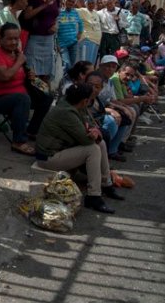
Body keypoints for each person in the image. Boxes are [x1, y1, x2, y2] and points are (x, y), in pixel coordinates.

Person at [35, 83, 124, 214]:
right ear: (84, 101)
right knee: (93, 149)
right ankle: (94, 196)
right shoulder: (66, 112)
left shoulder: (76, 105)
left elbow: (92, 124)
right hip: (48, 157)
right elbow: (86, 140)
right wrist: (95, 134)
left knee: (101, 144)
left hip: (62, 150)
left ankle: (106, 184)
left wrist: (95, 131)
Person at [0, 22, 53, 156]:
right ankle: (18, 142)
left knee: (46, 96)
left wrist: (30, 75)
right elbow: (5, 76)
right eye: (9, 39)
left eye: (16, 38)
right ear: (1, 39)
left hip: (19, 96)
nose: (14, 42)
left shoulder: (16, 53)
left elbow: (20, 76)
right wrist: (19, 62)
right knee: (22, 99)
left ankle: (32, 130)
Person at [20, 0, 60, 82]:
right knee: (32, 71)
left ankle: (43, 95)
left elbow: (57, 16)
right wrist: (44, 5)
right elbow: (27, 15)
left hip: (49, 40)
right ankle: (33, 95)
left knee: (47, 72)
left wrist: (56, 26)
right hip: (35, 39)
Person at [56, 0, 84, 71]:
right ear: (65, 1)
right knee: (66, 64)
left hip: (73, 43)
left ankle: (69, 82)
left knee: (72, 65)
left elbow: (81, 24)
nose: (70, 3)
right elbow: (55, 30)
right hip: (62, 44)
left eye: (73, 2)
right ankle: (65, 82)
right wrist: (57, 43)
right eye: (69, 0)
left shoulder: (75, 12)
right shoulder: (58, 12)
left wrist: (79, 33)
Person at [77, 0, 102, 64]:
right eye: (89, 3)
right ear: (85, 4)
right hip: (87, 41)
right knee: (85, 64)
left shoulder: (96, 12)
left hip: (96, 42)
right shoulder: (82, 11)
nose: (91, 5)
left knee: (91, 64)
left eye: (92, 3)